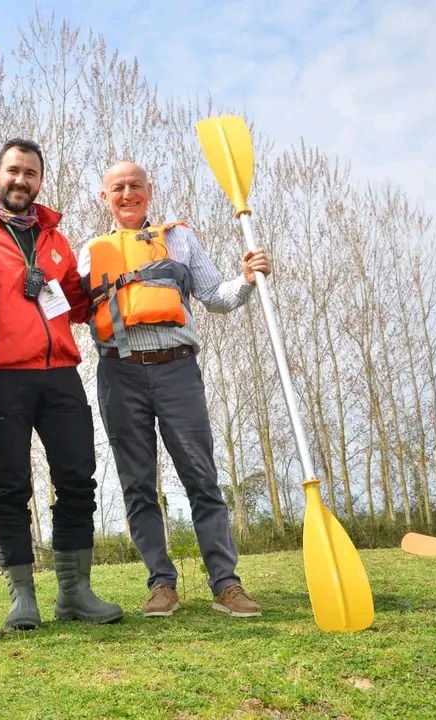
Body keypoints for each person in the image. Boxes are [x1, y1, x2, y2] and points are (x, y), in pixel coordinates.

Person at [77, 160, 271, 619]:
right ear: (103, 197)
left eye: (135, 186)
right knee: (138, 485)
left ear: (150, 190)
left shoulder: (180, 238)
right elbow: (65, 307)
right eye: (117, 188)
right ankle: (161, 584)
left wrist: (246, 278)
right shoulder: (89, 252)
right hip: (119, 373)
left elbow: (216, 298)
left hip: (177, 371)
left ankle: (225, 583)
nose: (127, 194)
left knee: (201, 477)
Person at [0, 139, 122, 630]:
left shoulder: (56, 239)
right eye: (13, 171)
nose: (21, 180)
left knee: (77, 481)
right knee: (9, 487)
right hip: (2, 375)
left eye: (31, 173)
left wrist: (108, 280)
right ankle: (22, 598)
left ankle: (75, 593)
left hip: (61, 376)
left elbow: (76, 306)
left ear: (40, 181)